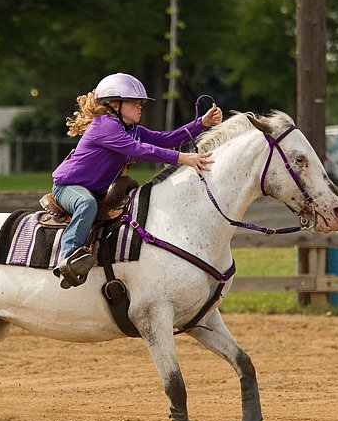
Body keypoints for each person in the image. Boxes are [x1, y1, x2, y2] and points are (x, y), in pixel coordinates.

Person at [51, 72, 223, 289]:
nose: (140, 107)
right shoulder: (104, 126)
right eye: (134, 103)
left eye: (141, 103)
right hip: (67, 187)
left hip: (96, 190)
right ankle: (67, 260)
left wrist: (201, 123)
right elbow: (139, 150)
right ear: (115, 104)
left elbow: (167, 139)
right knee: (86, 204)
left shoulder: (131, 129)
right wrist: (183, 158)